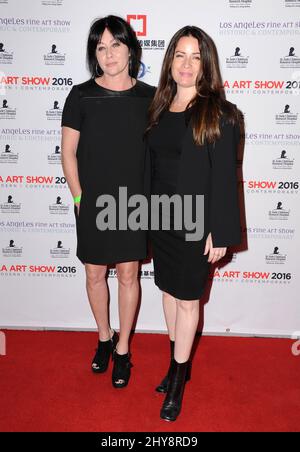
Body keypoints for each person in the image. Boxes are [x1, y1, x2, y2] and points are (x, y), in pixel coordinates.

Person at [146, 25, 241, 421]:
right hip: (159, 217)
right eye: (180, 55)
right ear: (170, 62)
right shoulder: (158, 108)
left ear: (206, 65)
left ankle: (177, 380)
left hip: (196, 222)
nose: (187, 64)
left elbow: (224, 177)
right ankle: (175, 364)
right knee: (168, 293)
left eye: (195, 57)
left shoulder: (220, 113)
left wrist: (219, 231)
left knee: (187, 301)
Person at [61, 15, 155, 389]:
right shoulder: (81, 95)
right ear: (93, 54)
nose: (109, 53)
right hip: (93, 202)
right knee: (95, 273)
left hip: (133, 203)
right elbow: (68, 153)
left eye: (115, 44)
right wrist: (80, 197)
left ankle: (124, 350)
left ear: (130, 47)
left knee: (129, 275)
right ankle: (104, 337)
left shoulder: (150, 97)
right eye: (101, 47)